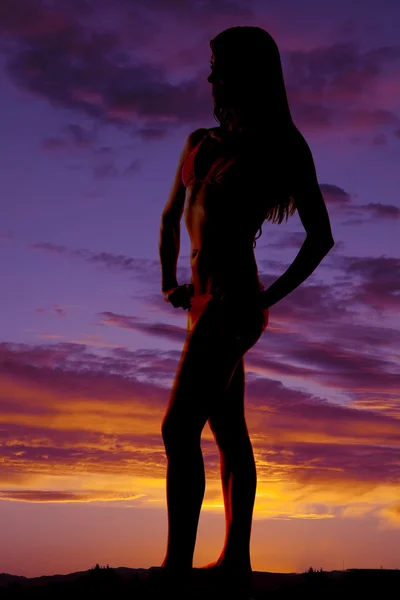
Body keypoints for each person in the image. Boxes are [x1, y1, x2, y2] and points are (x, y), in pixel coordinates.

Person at [158, 25, 334, 595]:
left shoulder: (281, 143)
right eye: (209, 64)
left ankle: (176, 571)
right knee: (227, 427)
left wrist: (266, 299)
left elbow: (320, 237)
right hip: (201, 301)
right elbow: (170, 218)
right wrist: (170, 282)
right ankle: (236, 560)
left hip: (236, 301)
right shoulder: (199, 142)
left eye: (219, 65)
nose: (211, 75)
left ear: (248, 72)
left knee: (178, 427)